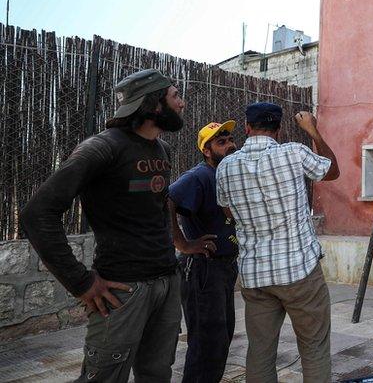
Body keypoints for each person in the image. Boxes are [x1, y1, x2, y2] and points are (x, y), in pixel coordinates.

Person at [20, 69, 185, 382]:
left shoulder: (162, 149)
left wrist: (179, 249)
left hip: (167, 282)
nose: (182, 103)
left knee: (157, 373)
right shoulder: (102, 147)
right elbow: (36, 214)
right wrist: (80, 282)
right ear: (154, 105)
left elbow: (160, 205)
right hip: (123, 290)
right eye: (175, 96)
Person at [216, 103, 340, 382]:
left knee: (259, 351)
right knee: (314, 347)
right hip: (300, 273)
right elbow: (332, 172)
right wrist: (314, 132)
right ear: (279, 129)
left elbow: (228, 212)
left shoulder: (226, 166)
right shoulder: (294, 153)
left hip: (255, 275)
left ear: (247, 128)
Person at [168, 121, 239, 383]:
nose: (230, 146)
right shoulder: (199, 176)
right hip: (203, 269)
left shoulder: (224, 175)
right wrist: (183, 243)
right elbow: (166, 200)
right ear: (207, 151)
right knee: (206, 342)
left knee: (221, 338)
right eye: (221, 143)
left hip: (224, 268)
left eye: (231, 139)